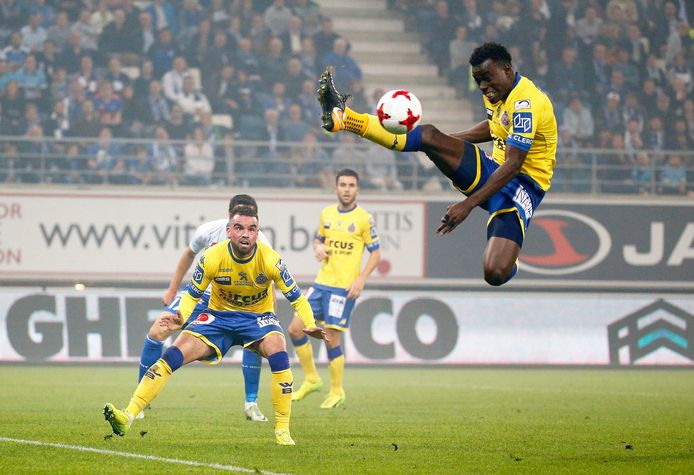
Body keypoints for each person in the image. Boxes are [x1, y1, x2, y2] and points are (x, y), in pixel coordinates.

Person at [317, 42, 557, 285]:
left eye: (487, 78)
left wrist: (467, 205)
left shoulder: (527, 104)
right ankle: (346, 119)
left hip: (522, 187)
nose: (483, 86)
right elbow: (496, 125)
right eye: (478, 80)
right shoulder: (498, 91)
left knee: (495, 273)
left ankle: (510, 261)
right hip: (491, 171)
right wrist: (448, 141)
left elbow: (514, 164)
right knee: (430, 136)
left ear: (507, 70)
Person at [105, 205, 326, 446]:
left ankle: (282, 429)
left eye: (252, 229)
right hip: (218, 318)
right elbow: (191, 294)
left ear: (257, 233)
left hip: (257, 319)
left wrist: (311, 324)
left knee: (278, 349)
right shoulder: (211, 257)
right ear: (229, 231)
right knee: (171, 357)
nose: (246, 234)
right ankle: (128, 416)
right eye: (239, 228)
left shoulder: (270, 259)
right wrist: (181, 316)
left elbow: (297, 298)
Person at [135, 195, 271, 422]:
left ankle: (251, 404)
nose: (245, 231)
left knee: (254, 342)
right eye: (238, 220)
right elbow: (189, 254)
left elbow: (270, 281)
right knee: (156, 331)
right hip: (198, 297)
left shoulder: (262, 243)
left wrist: (268, 313)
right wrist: (172, 289)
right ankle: (140, 399)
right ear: (229, 218)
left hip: (233, 304)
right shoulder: (208, 231)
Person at [288, 169, 381, 408]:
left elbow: (376, 253)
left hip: (343, 288)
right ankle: (311, 379)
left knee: (331, 339)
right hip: (321, 283)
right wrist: (317, 247)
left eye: (351, 185)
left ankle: (337, 391)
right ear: (336, 188)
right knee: (296, 329)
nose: (347, 189)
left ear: (357, 189)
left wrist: (361, 278)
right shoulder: (326, 214)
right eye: (343, 184)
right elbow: (319, 239)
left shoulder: (364, 219)